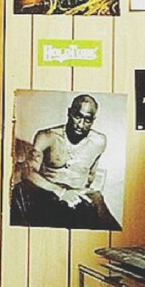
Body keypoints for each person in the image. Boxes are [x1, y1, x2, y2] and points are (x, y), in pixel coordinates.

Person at [10, 94, 121, 230]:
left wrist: (83, 192)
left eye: (87, 120)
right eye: (77, 116)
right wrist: (61, 192)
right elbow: (28, 173)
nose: (80, 124)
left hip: (77, 197)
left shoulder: (98, 142)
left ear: (93, 120)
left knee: (100, 206)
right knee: (20, 190)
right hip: (49, 193)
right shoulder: (48, 136)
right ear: (69, 112)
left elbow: (91, 176)